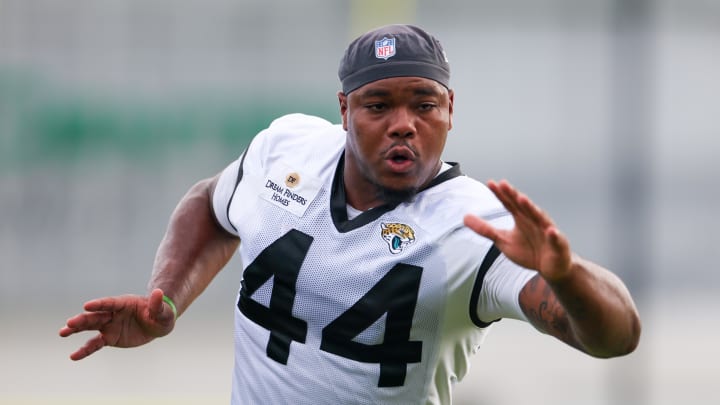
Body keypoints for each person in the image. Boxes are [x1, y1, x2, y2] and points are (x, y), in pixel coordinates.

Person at [59, 24, 641, 404]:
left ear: (450, 109)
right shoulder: (287, 150)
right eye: (378, 105)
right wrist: (167, 299)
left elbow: (618, 337)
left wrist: (567, 276)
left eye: (424, 103)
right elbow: (208, 206)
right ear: (343, 109)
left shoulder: (475, 227)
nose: (403, 123)